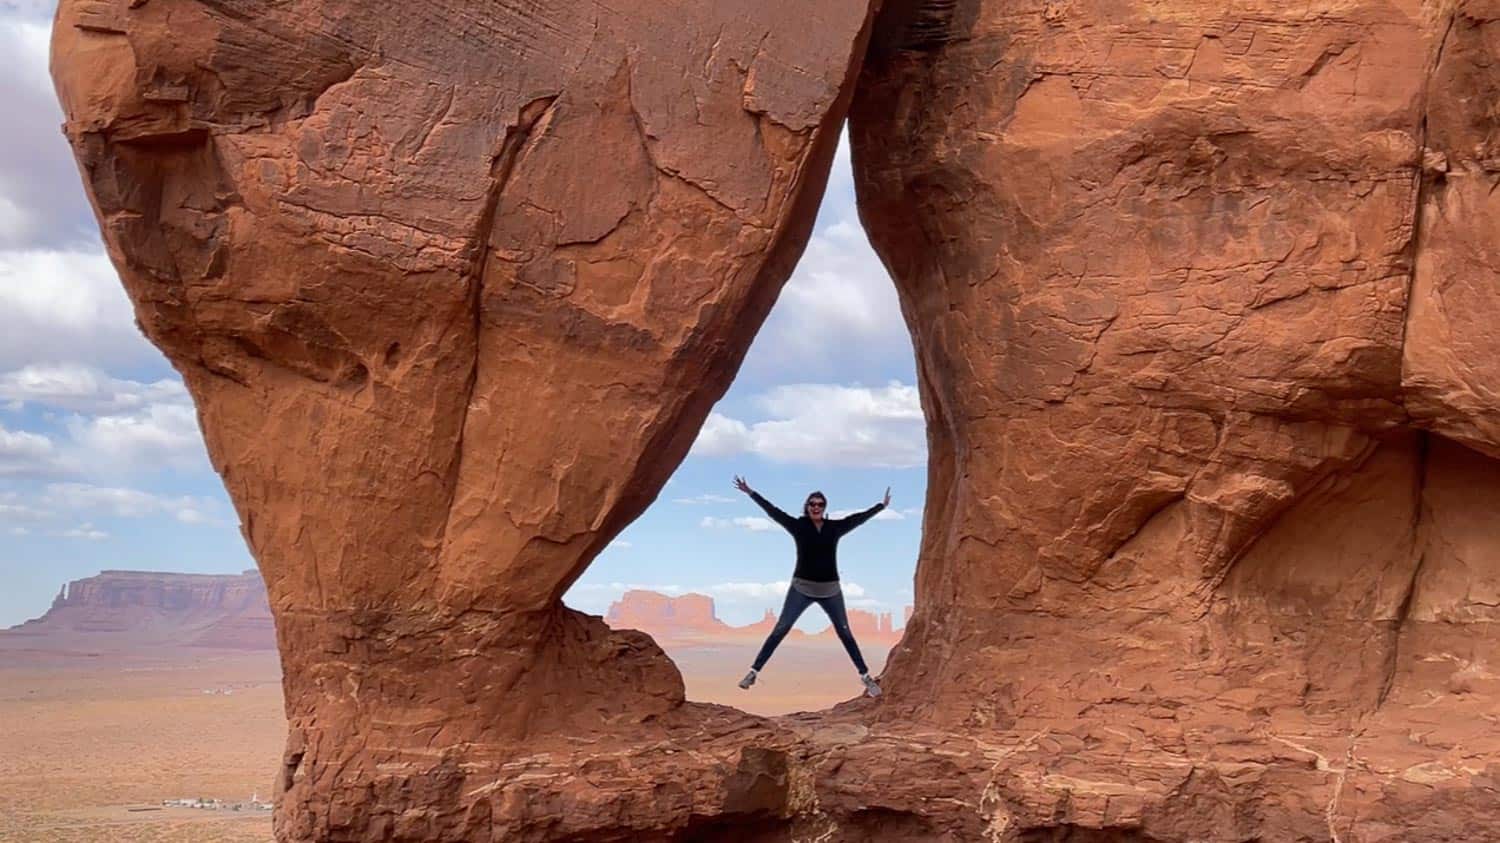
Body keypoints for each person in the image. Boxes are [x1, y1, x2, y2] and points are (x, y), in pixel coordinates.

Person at [731, 475, 890, 698]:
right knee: (781, 628)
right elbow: (773, 511)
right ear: (807, 506)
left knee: (845, 633)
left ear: (824, 507)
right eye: (812, 503)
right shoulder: (798, 526)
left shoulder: (834, 528)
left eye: (820, 504)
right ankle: (753, 673)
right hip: (801, 588)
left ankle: (866, 677)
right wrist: (751, 492)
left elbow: (857, 519)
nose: (816, 507)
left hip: (830, 590)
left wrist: (880, 506)